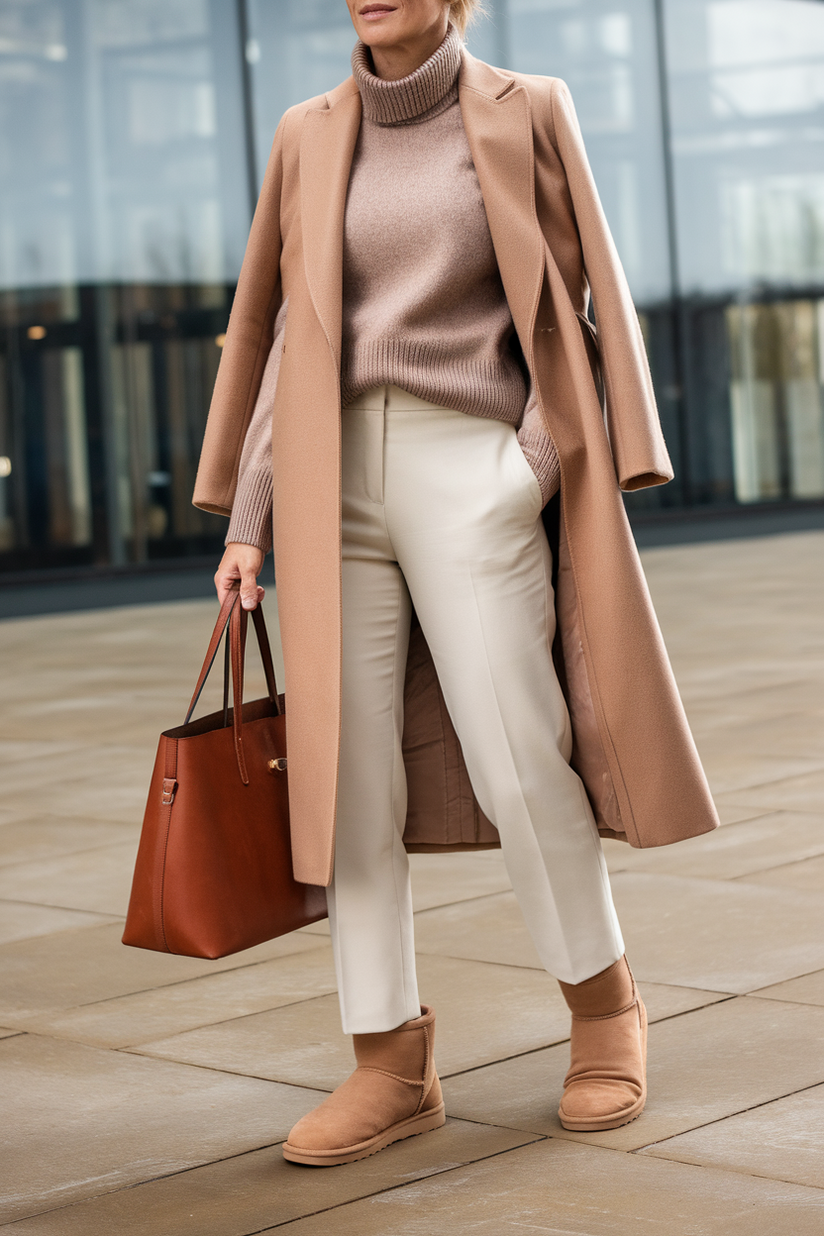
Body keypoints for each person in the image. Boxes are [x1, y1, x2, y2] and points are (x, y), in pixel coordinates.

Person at [194, 0, 718, 1167]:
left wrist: (524, 464)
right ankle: (387, 1056)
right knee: (348, 782)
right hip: (334, 482)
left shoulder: (524, 108)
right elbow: (286, 335)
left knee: (517, 753)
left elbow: (578, 300)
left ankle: (601, 1010)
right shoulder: (304, 131)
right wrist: (249, 517)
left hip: (466, 462)